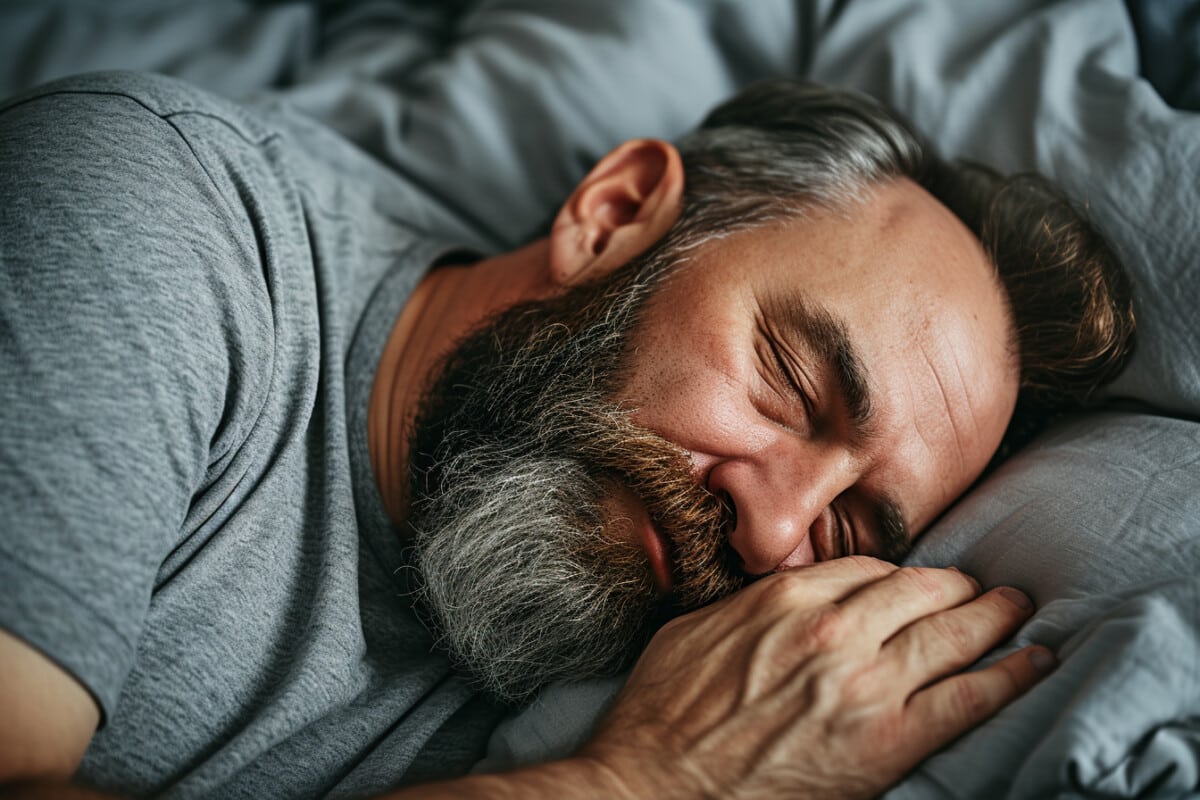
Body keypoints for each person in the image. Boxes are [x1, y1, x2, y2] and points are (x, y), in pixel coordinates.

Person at [0, 70, 1132, 799]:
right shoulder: (153, 210)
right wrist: (636, 783)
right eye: (786, 379)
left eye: (846, 524)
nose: (774, 523)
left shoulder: (640, 668)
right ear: (615, 215)